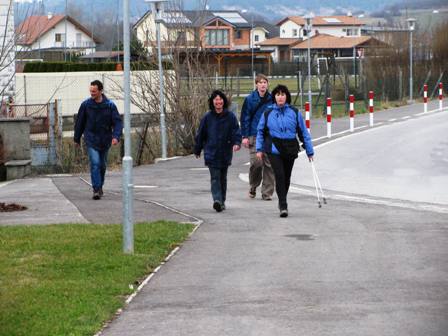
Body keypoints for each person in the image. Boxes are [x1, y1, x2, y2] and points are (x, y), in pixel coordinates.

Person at [256, 84, 314, 217]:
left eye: (283, 94)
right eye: (277, 94)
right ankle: (283, 205)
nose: (280, 97)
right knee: (280, 175)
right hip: (274, 148)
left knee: (286, 177)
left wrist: (309, 151)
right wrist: (259, 149)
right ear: (274, 97)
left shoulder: (294, 112)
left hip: (290, 147)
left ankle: (282, 199)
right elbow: (260, 131)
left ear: (287, 96)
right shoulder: (268, 113)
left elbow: (303, 132)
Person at [74, 80, 123, 200]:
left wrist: (116, 137)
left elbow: (117, 122)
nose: (92, 93)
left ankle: (100, 186)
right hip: (91, 139)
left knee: (102, 165)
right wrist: (77, 138)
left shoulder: (110, 105)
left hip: (105, 140)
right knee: (95, 163)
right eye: (90, 91)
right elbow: (79, 122)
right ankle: (96, 189)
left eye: (94, 91)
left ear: (100, 91)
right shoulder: (86, 105)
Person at [194, 90, 242, 212]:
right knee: (215, 177)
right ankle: (217, 200)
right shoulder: (207, 117)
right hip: (211, 152)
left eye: (220, 99)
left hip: (225, 152)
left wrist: (237, 143)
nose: (218, 101)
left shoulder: (230, 117)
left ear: (223, 101)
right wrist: (198, 149)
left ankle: (222, 201)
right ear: (212, 102)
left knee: (222, 178)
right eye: (216, 99)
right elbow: (201, 134)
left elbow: (236, 131)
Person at [240, 74, 275, 200]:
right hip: (254, 135)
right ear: (256, 84)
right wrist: (244, 136)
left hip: (269, 136)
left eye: (265, 82)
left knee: (269, 164)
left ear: (267, 84)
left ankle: (267, 193)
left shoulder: (272, 99)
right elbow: (245, 118)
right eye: (260, 82)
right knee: (257, 162)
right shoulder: (250, 99)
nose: (263, 84)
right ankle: (253, 185)